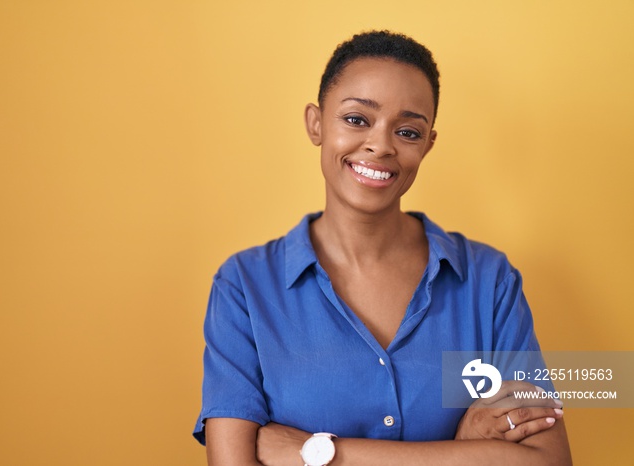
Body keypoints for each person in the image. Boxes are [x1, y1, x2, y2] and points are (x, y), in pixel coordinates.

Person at [194, 30, 572, 465]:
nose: (381, 145)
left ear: (428, 144)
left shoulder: (489, 281)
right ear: (316, 123)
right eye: (356, 119)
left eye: (408, 131)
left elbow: (547, 461)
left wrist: (317, 453)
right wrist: (464, 453)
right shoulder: (244, 286)